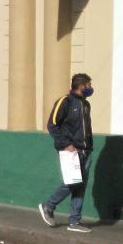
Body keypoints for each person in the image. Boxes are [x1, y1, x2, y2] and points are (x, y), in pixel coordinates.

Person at [39, 73, 94, 233]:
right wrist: (65, 144)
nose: (91, 88)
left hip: (85, 151)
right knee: (72, 182)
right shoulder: (65, 101)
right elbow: (52, 125)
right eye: (89, 85)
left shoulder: (85, 104)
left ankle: (74, 222)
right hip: (70, 151)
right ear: (81, 86)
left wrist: (89, 147)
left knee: (80, 186)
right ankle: (48, 206)